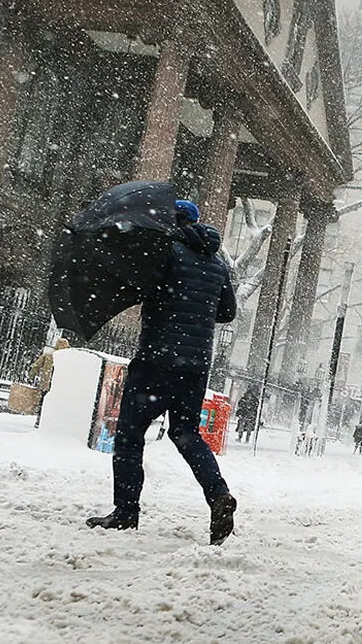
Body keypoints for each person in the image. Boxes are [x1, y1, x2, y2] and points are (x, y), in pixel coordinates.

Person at [86, 199, 239, 545]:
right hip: (196, 366)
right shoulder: (216, 263)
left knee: (130, 434)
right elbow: (227, 311)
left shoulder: (165, 251)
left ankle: (126, 512)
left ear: (173, 222)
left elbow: (142, 287)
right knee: (186, 433)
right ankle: (218, 495)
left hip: (157, 360)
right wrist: (196, 307)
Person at [30, 338, 70, 424]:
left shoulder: (48, 355)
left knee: (43, 402)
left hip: (46, 383)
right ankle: (49, 422)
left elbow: (36, 366)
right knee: (54, 404)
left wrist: (32, 376)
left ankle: (39, 420)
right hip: (58, 385)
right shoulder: (66, 358)